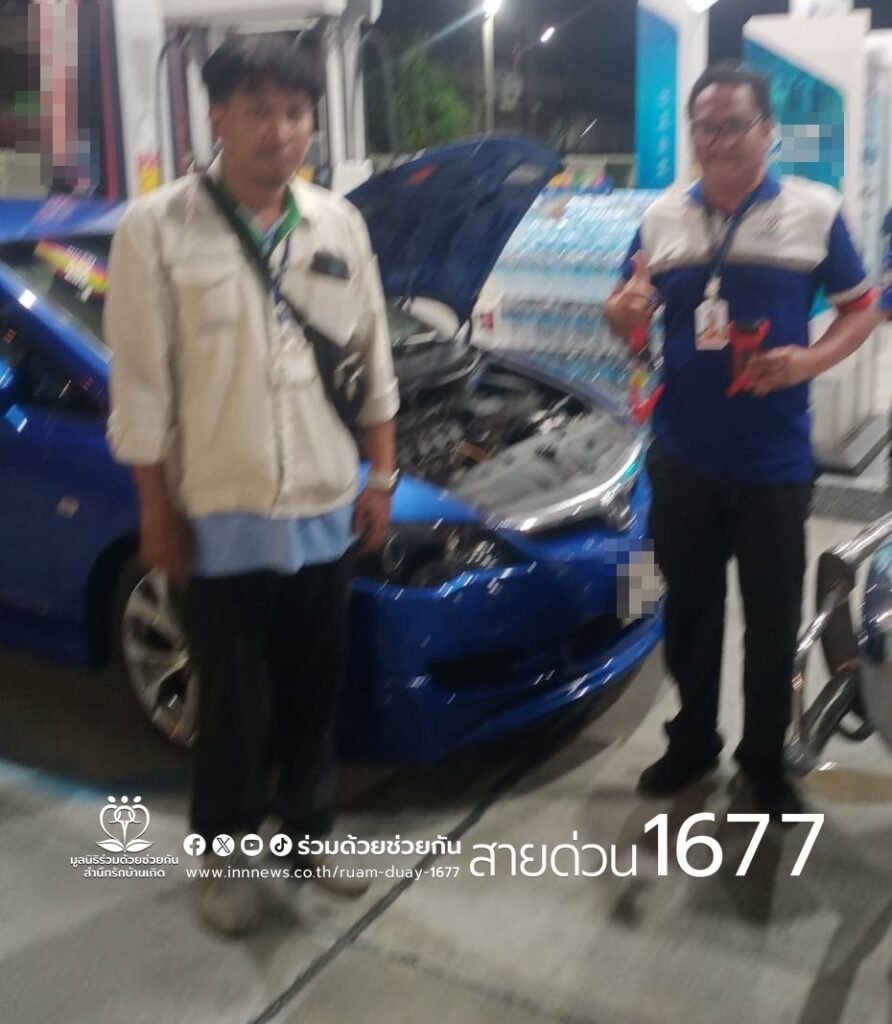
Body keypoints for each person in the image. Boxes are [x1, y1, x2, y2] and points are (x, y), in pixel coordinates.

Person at [104, 36, 400, 935]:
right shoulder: (156, 229)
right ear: (219, 116)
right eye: (259, 109)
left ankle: (309, 834)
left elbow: (373, 360)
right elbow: (141, 389)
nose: (280, 129)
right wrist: (155, 510)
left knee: (314, 691)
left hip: (323, 504)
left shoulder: (338, 225)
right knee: (229, 705)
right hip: (216, 513)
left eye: (296, 111)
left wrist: (381, 478)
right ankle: (226, 857)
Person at [606, 64, 879, 819]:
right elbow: (624, 315)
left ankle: (763, 760)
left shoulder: (814, 212)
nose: (718, 140)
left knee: (772, 622)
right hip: (683, 457)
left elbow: (863, 307)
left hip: (774, 466)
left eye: (734, 125)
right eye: (705, 127)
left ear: (768, 132)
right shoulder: (661, 217)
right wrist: (623, 312)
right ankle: (692, 742)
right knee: (689, 613)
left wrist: (810, 361)